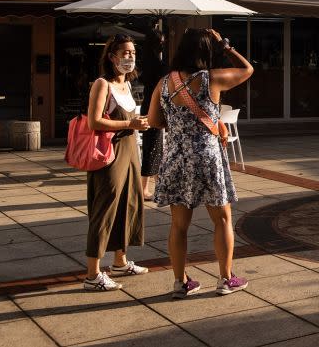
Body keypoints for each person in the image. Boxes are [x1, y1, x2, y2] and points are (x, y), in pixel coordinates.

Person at [147, 28, 253, 298]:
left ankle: (180, 283)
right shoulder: (211, 79)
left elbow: (154, 121)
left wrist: (180, 124)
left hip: (176, 158)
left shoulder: (164, 82)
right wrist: (225, 45)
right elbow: (247, 69)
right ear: (207, 51)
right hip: (206, 157)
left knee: (179, 225)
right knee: (222, 219)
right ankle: (226, 278)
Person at [84, 34, 150, 291]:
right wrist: (129, 124)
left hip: (131, 149)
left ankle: (120, 262)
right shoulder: (103, 84)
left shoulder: (127, 86)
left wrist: (138, 122)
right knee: (105, 209)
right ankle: (92, 274)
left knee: (128, 203)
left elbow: (129, 119)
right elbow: (94, 122)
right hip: (110, 154)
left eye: (132, 52)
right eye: (124, 53)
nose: (129, 57)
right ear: (111, 57)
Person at [139, 21, 166, 201]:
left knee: (156, 146)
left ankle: (159, 183)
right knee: (152, 147)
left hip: (148, 104)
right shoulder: (157, 63)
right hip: (155, 105)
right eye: (162, 40)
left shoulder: (145, 60)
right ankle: (143, 189)